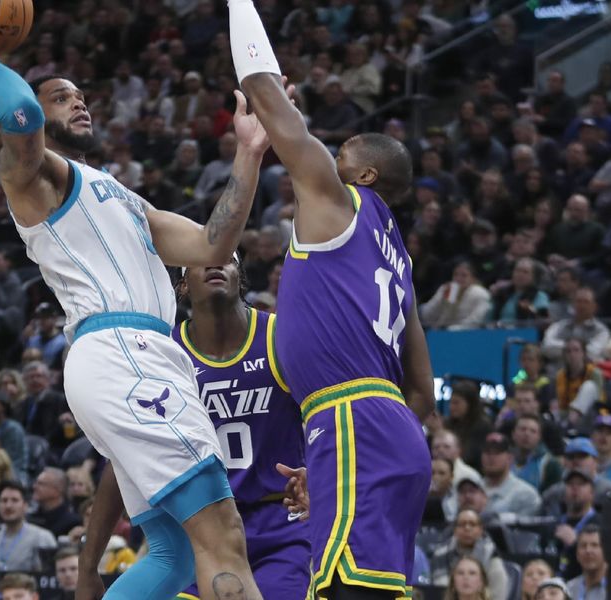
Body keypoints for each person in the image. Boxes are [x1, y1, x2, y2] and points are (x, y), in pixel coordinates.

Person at [0, 10, 283, 599]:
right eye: (62, 97)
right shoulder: (33, 173)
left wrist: (249, 153)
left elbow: (213, 244)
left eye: (81, 96)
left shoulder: (122, 197)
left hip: (146, 357)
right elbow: (19, 113)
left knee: (175, 556)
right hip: (123, 350)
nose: (80, 104)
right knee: (223, 534)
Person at [223, 6, 435, 598]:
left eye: (337, 152)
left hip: (351, 420)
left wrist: (240, 6)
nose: (322, 157)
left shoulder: (340, 203)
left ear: (363, 176)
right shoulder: (399, 259)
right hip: (380, 428)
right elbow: (422, 391)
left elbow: (263, 89)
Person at [77, 256, 310, 599]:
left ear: (239, 278)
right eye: (201, 262)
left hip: (281, 526)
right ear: (182, 285)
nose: (214, 265)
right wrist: (89, 563)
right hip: (199, 531)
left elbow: (331, 420)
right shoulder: (161, 353)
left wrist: (319, 477)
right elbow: (125, 459)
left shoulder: (281, 336)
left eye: (227, 260)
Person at [0, 481, 57, 572]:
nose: (8, 506)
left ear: (25, 506)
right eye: (4, 500)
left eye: (14, 500)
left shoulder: (42, 537)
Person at [567, 524, 607, 600]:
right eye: (583, 545)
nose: (588, 550)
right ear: (577, 554)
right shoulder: (569, 589)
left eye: (594, 545)